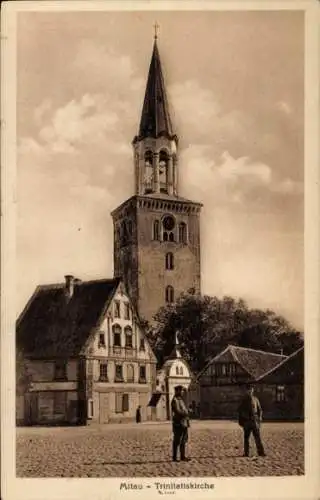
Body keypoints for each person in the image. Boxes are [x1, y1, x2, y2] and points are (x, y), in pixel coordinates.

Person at [238, 384, 266, 457]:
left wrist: (259, 418)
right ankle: (246, 453)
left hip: (255, 421)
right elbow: (240, 411)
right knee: (246, 438)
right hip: (247, 422)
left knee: (258, 438)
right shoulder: (243, 400)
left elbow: (260, 410)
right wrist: (243, 420)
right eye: (248, 390)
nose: (250, 391)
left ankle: (261, 452)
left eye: (251, 390)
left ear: (253, 391)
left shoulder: (255, 399)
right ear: (246, 391)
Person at [171, 386, 190, 462]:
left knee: (183, 440)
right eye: (181, 391)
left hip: (184, 422)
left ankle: (182, 456)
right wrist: (186, 413)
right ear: (177, 391)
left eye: (182, 391)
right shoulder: (174, 400)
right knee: (177, 440)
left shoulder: (181, 400)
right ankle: (174, 457)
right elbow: (177, 411)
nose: (182, 392)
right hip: (178, 423)